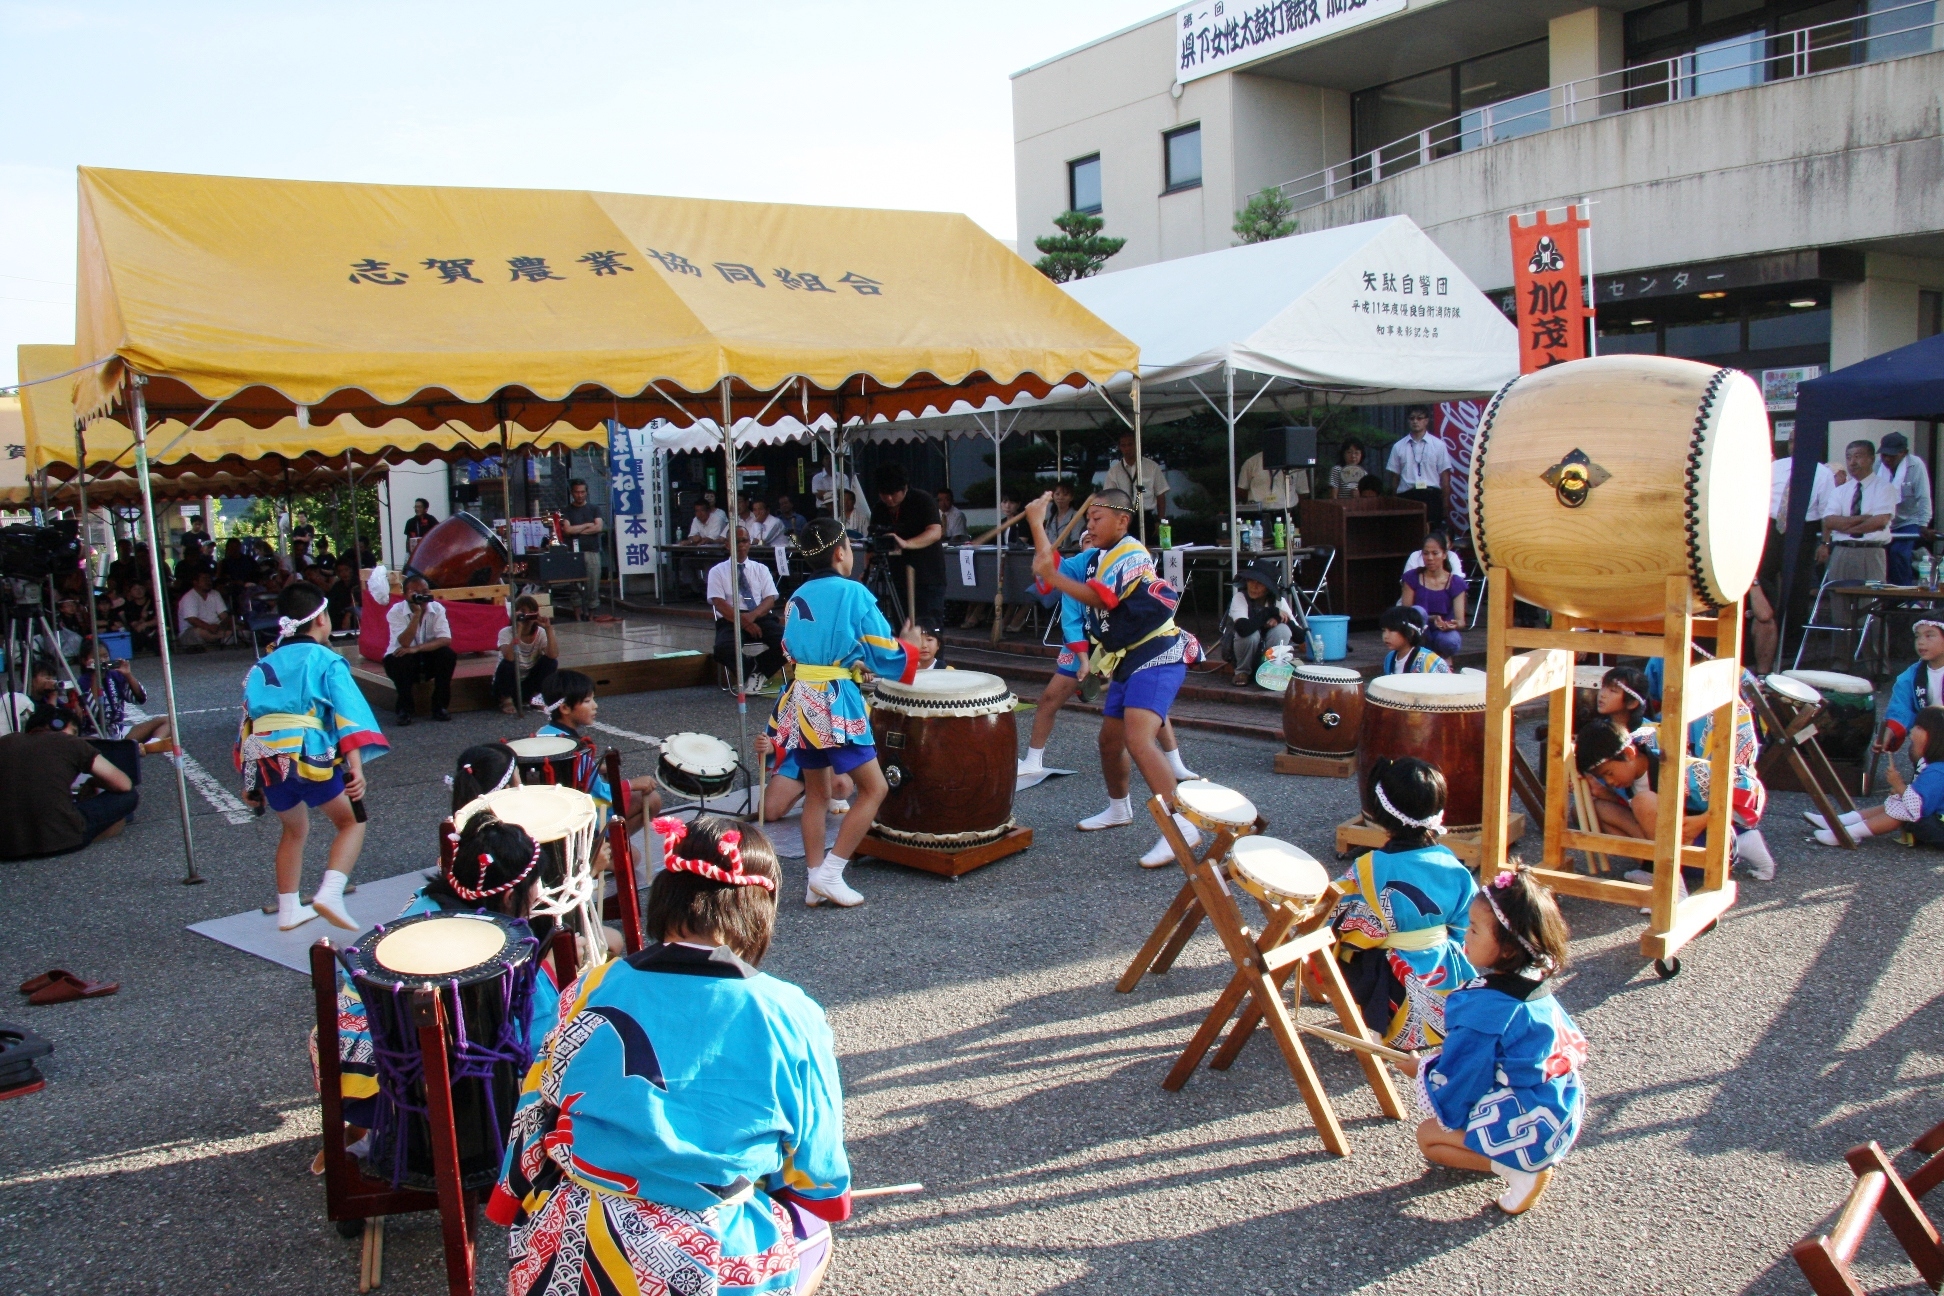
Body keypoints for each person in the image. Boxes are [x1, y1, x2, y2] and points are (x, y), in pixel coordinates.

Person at [490, 816, 849, 1296]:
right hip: (709, 1257)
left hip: (572, 1249)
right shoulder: (789, 1013)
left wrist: (507, 1199)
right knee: (813, 1229)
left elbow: (537, 1104)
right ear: (759, 908)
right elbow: (816, 1168)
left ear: (667, 895)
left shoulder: (592, 986)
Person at [330, 790, 564, 1148]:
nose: (538, 891)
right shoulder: (500, 951)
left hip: (350, 1053)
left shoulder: (422, 901)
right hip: (425, 1085)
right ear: (507, 895)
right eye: (534, 883)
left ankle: (365, 1133)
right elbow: (537, 1044)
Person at [1394, 866, 1587, 1215]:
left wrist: (1421, 1070)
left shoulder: (1485, 1006)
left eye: (1475, 929)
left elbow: (1463, 1077)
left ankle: (1520, 1168)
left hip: (1530, 1117)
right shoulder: (1534, 980)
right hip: (1560, 1108)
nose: (1465, 935)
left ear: (1509, 950)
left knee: (1429, 1138)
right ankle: (1518, 1154)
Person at [1025, 490, 1202, 866]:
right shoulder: (1094, 558)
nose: (1090, 525)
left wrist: (1053, 573)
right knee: (1110, 741)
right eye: (1088, 519)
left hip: (1158, 651)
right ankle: (1119, 809)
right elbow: (1047, 567)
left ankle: (1181, 826)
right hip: (1128, 658)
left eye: (1098, 517)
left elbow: (1101, 599)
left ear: (1123, 520)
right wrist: (1037, 525)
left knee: (1138, 739)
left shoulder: (1131, 552)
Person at [773, 518, 917, 907]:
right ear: (840, 553)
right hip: (833, 699)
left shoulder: (796, 595)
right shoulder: (853, 592)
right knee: (875, 788)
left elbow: (791, 648)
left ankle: (812, 878)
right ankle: (832, 873)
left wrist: (848, 660)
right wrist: (910, 647)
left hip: (801, 696)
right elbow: (884, 652)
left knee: (816, 793)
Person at [236, 583, 389, 930]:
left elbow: (247, 718)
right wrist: (355, 767)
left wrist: (249, 779)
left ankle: (289, 907)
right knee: (350, 822)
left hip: (263, 755)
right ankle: (330, 892)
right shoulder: (325, 659)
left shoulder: (262, 663)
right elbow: (347, 714)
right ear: (321, 618)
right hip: (306, 751)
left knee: (294, 830)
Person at [1018, 520, 1199, 787]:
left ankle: (1174, 765)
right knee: (1053, 701)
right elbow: (1067, 608)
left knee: (1144, 715)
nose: (1093, 539)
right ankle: (1035, 760)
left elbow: (1107, 598)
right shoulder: (1084, 567)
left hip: (1135, 647)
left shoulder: (1128, 557)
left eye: (1097, 528)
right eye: (1087, 539)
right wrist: (1036, 523)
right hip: (1087, 644)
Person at [1329, 756, 1478, 1050]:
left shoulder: (1370, 866)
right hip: (1446, 974)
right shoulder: (1452, 864)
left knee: (1333, 945)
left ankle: (1373, 1022)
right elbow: (1468, 924)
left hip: (1392, 975)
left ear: (1381, 813)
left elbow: (1343, 924)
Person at [0, 702, 138, 860]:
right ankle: (87, 835)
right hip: (63, 838)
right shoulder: (69, 742)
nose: (75, 736)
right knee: (128, 796)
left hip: (6, 848)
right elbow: (123, 783)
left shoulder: (5, 742)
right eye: (73, 731)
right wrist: (92, 782)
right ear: (57, 725)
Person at [535, 669, 660, 834]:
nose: (595, 706)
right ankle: (604, 846)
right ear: (565, 708)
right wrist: (632, 784)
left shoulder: (544, 732)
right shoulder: (571, 748)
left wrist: (594, 767)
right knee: (653, 800)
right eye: (587, 701)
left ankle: (609, 846)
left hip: (553, 814)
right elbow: (596, 792)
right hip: (578, 818)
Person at [1812, 705, 1944, 846]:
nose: (1911, 730)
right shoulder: (1937, 767)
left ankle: (1849, 833)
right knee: (1900, 800)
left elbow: (1917, 808)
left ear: (1933, 736)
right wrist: (1901, 791)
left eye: (1918, 727)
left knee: (1904, 808)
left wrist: (1899, 785)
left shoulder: (1937, 771)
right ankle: (1842, 822)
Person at [708, 527, 785, 691]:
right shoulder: (717, 571)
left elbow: (770, 599)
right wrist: (744, 622)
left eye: (745, 540)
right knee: (723, 648)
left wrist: (752, 616)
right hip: (731, 618)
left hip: (759, 614)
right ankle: (748, 671)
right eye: (737, 541)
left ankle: (760, 671)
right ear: (728, 545)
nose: (741, 545)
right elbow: (718, 602)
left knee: (789, 642)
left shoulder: (761, 569)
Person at [874, 463, 948, 634]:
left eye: (894, 494)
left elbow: (935, 532)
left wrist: (906, 543)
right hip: (896, 578)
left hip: (927, 576)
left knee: (929, 629)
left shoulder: (922, 500)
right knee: (903, 627)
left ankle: (933, 661)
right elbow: (875, 539)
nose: (890, 499)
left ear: (904, 487)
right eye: (885, 494)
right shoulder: (879, 507)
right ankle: (907, 660)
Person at [1818, 438, 1897, 585]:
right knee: (1839, 600)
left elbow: (1879, 522)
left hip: (1871, 551)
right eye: (1848, 457)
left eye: (1858, 456)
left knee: (1869, 602)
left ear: (1871, 459)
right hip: (1842, 551)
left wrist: (1844, 526)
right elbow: (1829, 521)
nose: (1852, 462)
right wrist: (1863, 518)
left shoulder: (1884, 488)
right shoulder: (1840, 491)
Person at [383, 575, 457, 725]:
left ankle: (440, 706)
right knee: (401, 658)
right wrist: (416, 614)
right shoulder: (395, 611)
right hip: (401, 658)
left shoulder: (437, 608)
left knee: (447, 655)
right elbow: (404, 642)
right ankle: (404, 709)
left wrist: (417, 649)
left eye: (424, 591)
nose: (421, 596)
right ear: (405, 595)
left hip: (424, 654)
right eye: (415, 592)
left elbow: (445, 639)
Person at [75, 637, 171, 748]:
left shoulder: (115, 675)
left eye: (105, 656)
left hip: (119, 731)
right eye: (96, 657)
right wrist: (95, 676)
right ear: (84, 661)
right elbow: (94, 712)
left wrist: (128, 675)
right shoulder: (82, 682)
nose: (102, 660)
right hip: (94, 735)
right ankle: (125, 749)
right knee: (80, 743)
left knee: (168, 721)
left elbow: (140, 698)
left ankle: (149, 746)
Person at [1220, 560, 1300, 686]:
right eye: (1251, 581)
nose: (1253, 586)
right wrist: (1270, 612)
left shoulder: (1279, 602)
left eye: (1259, 584)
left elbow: (1299, 636)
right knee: (1251, 635)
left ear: (1268, 588)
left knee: (1282, 629)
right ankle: (1242, 672)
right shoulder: (1240, 598)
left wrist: (1281, 619)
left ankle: (1271, 669)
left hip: (1268, 654)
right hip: (1242, 653)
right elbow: (1243, 629)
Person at [754, 732, 855, 823]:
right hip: (795, 759)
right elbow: (778, 728)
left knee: (841, 786)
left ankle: (826, 793)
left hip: (829, 757)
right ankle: (813, 790)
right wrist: (769, 745)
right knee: (768, 811)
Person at [1400, 533, 1469, 662]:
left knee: (1451, 640)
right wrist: (1431, 618)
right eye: (1426, 554)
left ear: (1444, 554)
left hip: (1442, 632)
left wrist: (1452, 624)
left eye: (1435, 553)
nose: (1430, 558)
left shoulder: (1456, 583)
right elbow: (1406, 613)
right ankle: (1425, 658)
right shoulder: (1412, 577)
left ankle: (1442, 659)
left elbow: (1461, 622)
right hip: (1418, 630)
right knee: (1418, 612)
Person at [1385, 406, 1454, 530]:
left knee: (1432, 532)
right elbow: (1394, 478)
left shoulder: (1438, 445)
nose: (1415, 421)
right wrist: (1395, 501)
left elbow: (1445, 477)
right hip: (1407, 495)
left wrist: (1445, 504)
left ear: (1426, 421)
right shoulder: (1398, 446)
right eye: (1412, 418)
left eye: (1419, 418)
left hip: (1431, 495)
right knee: (1408, 532)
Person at [1879, 431, 1933, 586]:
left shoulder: (1916, 465)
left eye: (1892, 456)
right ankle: (1886, 596)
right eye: (1884, 455)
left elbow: (1923, 496)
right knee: (1882, 555)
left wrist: (1923, 524)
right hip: (1884, 519)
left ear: (1904, 453)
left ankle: (1906, 596)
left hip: (1908, 520)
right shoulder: (1878, 465)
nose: (1887, 459)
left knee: (1899, 553)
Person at [494, 595, 559, 715]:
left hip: (527, 682)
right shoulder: (505, 632)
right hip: (508, 683)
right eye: (523, 612)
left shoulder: (540, 633)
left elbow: (553, 655)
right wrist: (518, 628)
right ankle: (506, 700)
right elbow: (509, 657)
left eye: (531, 612)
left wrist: (548, 629)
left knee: (551, 662)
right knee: (507, 664)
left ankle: (536, 696)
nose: (528, 615)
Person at [558, 477, 606, 619]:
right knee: (574, 586)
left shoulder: (594, 508)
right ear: (572, 493)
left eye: (582, 492)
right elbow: (567, 530)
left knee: (593, 584)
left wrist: (577, 530)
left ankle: (591, 615)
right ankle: (578, 616)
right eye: (577, 492)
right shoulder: (566, 510)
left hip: (592, 550)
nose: (580, 495)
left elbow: (598, 527)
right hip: (573, 552)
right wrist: (586, 525)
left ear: (586, 492)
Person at [1102, 430, 1169, 523]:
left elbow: (1160, 495)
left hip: (1146, 516)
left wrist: (1160, 520)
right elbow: (1108, 498)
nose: (1127, 448)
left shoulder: (1152, 467)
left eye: (1130, 444)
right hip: (1123, 518)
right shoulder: (1114, 471)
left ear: (1137, 444)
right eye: (1123, 445)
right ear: (1120, 447)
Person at [1378, 604, 1450, 675]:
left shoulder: (1428, 659)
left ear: (1410, 632)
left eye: (1392, 630)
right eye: (1384, 630)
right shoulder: (1389, 658)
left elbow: (1446, 683)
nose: (1385, 636)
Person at [176, 568, 233, 649]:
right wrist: (209, 627)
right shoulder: (189, 597)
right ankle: (221, 639)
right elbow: (192, 620)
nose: (208, 581)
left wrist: (228, 623)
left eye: (209, 579)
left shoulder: (215, 594)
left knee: (241, 631)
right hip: (192, 631)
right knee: (202, 632)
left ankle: (220, 639)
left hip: (216, 628)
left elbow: (223, 615)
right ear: (195, 582)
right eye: (204, 579)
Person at [123, 581, 158, 654]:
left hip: (155, 630)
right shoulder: (129, 606)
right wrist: (143, 618)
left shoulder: (154, 601)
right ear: (130, 592)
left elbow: (159, 619)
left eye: (141, 588)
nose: (139, 591)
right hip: (140, 633)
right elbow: (135, 626)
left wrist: (145, 624)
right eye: (135, 589)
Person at [325, 556, 359, 632]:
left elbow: (357, 602)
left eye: (346, 570)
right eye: (340, 571)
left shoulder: (358, 584)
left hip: (355, 618)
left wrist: (347, 615)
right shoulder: (337, 586)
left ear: (351, 570)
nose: (344, 573)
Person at [1046, 479, 1082, 549]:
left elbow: (1077, 544)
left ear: (1071, 497)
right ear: (1053, 496)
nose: (1060, 497)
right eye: (1057, 494)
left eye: (1065, 495)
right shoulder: (1051, 518)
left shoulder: (1077, 516)